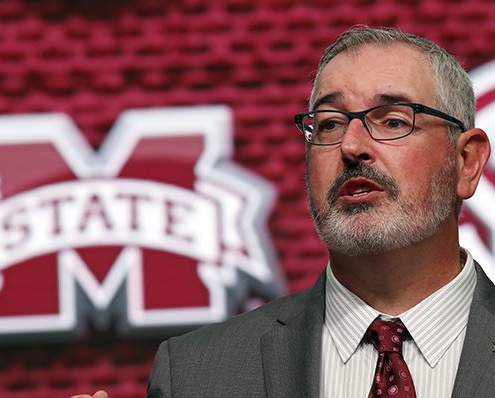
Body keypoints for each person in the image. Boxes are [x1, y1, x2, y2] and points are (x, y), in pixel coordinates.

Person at [73, 26, 493, 398]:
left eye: (393, 121)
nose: (351, 146)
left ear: (467, 161)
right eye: (329, 123)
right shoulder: (195, 374)